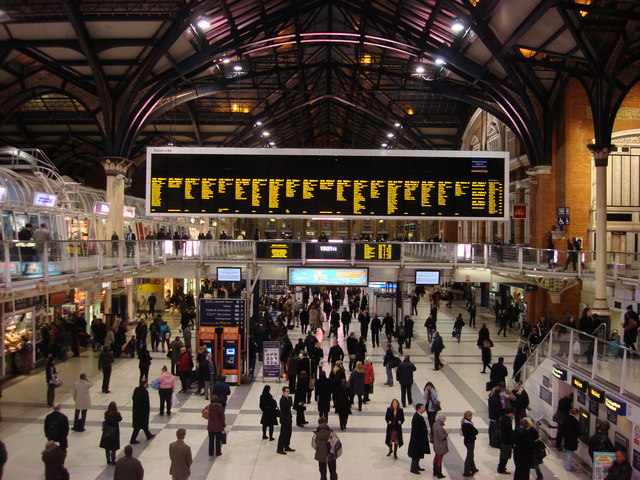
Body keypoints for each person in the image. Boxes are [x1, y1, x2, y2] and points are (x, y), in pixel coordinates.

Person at [131, 379, 155, 444]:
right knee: (140, 426)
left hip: (136, 410)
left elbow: (133, 398)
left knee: (140, 426)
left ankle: (148, 435)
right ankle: (132, 439)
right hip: (142, 412)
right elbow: (146, 403)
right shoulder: (145, 391)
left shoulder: (136, 389)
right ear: (145, 383)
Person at [408, 403, 430, 474]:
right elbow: (416, 429)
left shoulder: (419, 416)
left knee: (418, 454)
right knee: (416, 455)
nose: (424, 409)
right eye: (422, 408)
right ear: (418, 409)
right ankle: (413, 468)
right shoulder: (416, 417)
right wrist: (424, 430)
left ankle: (417, 466)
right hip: (417, 440)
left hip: (419, 439)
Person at [277, 386, 295, 454]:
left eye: (288, 391)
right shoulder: (283, 399)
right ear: (283, 392)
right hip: (284, 419)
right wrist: (290, 399)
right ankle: (280, 449)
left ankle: (287, 446)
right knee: (283, 434)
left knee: (288, 433)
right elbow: (289, 404)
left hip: (288, 418)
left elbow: (291, 404)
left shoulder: (288, 398)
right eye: (286, 391)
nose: (288, 393)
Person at [497, 407, 514, 474]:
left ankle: (501, 467)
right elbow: (509, 432)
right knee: (505, 456)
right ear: (510, 413)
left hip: (502, 440)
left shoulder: (502, 418)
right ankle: (501, 469)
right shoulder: (507, 421)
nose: (513, 415)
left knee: (503, 455)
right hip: (506, 441)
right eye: (512, 413)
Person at [461, 411, 478, 476]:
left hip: (467, 441)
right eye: (471, 416)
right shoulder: (468, 424)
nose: (472, 417)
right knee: (469, 456)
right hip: (469, 442)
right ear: (468, 416)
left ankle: (473, 468)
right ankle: (466, 472)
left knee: (471, 454)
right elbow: (476, 432)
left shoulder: (465, 422)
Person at [431, 413, 448, 478]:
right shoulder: (439, 427)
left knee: (436, 457)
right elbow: (442, 437)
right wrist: (446, 433)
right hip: (440, 445)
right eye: (444, 420)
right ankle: (439, 473)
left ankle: (434, 471)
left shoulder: (434, 424)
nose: (444, 421)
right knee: (440, 459)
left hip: (436, 444)